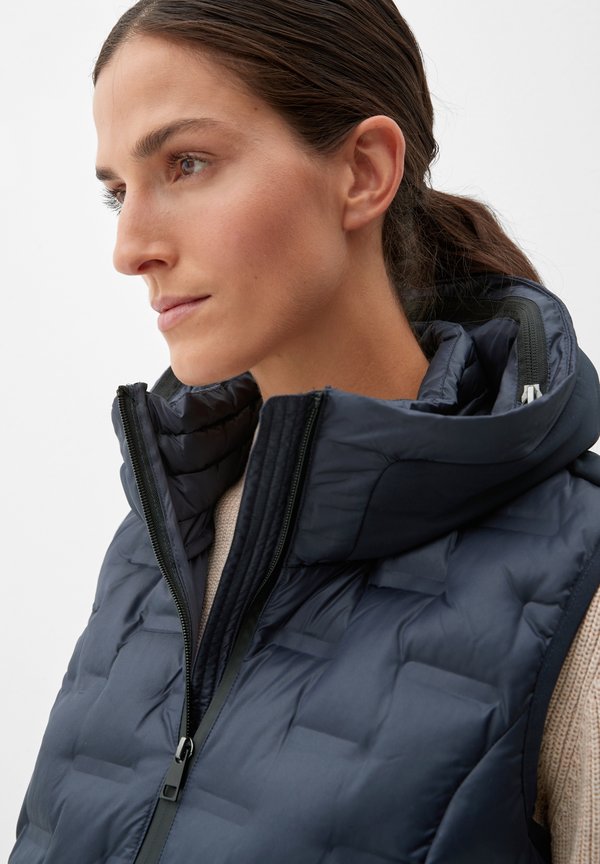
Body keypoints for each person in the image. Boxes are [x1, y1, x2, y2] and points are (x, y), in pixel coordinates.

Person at [10, 1, 600, 862]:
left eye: (187, 163)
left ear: (363, 171)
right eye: (117, 193)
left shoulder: (577, 579)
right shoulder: (159, 544)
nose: (130, 247)